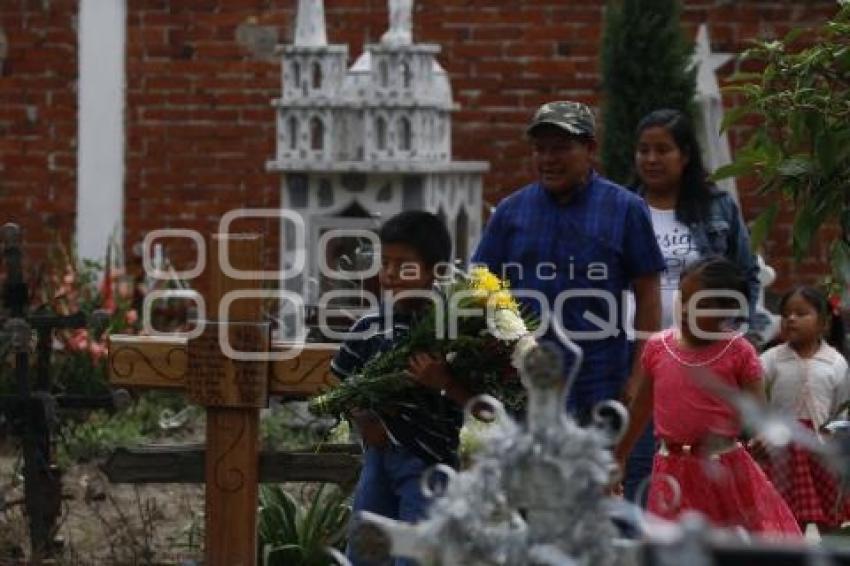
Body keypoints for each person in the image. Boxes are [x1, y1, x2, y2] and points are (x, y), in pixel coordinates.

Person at [472, 101, 664, 423]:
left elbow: (648, 294)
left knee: (598, 472)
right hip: (525, 383)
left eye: (560, 149)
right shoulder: (511, 212)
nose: (548, 159)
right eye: (540, 149)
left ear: (590, 149)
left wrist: (638, 377)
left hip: (600, 380)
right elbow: (479, 287)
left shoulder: (625, 209)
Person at [625, 108, 766, 502]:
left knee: (705, 465)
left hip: (704, 359)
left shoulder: (717, 207)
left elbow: (746, 274)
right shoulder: (624, 208)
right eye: (643, 150)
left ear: (685, 155)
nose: (651, 159)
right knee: (640, 458)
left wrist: (736, 337)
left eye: (662, 150)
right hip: (639, 354)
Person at [615, 256, 800, 536]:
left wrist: (765, 436)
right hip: (670, 472)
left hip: (723, 472)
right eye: (684, 298)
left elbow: (760, 416)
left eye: (701, 303)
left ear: (728, 309)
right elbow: (641, 410)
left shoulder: (739, 352)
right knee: (672, 551)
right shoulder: (658, 348)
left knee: (726, 551)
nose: (687, 310)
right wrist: (619, 456)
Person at [330, 211, 471, 566]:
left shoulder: (456, 328)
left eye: (403, 265)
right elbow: (341, 380)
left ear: (434, 271)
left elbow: (481, 402)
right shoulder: (370, 324)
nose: (390, 274)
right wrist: (363, 419)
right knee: (366, 549)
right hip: (378, 458)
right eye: (385, 263)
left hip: (431, 464)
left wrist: (444, 382)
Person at [758, 286, 850, 531]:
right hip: (781, 450)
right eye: (786, 314)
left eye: (801, 313)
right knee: (784, 515)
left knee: (829, 515)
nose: (791, 319)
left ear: (823, 323)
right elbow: (754, 397)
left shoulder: (835, 363)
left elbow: (842, 409)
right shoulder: (771, 359)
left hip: (821, 447)